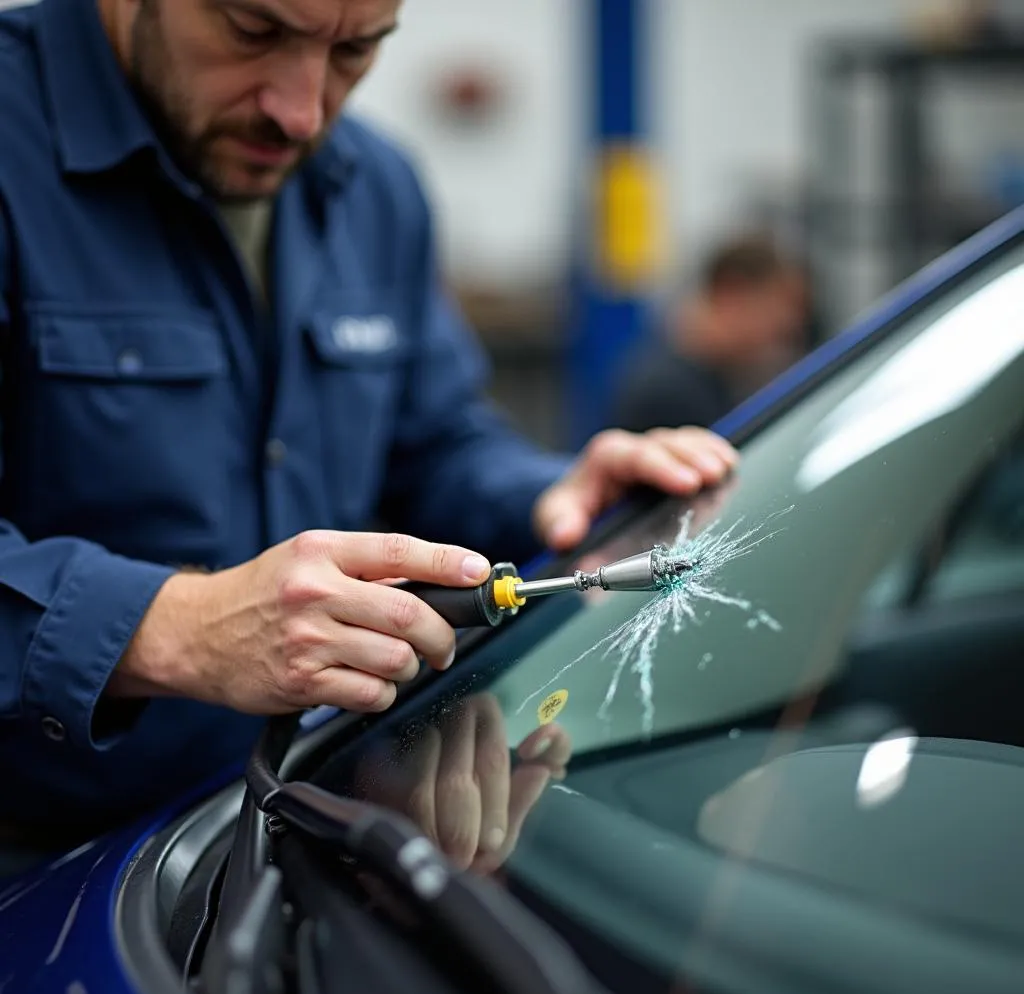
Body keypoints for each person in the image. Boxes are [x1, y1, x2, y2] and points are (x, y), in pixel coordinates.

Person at [0, 0, 737, 852]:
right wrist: (178, 628)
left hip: (278, 837)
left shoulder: (374, 190)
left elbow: (433, 447)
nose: (303, 111)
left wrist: (550, 495)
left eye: (355, 50)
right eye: (255, 32)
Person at [613, 234, 809, 434]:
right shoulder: (669, 394)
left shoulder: (712, 379)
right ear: (733, 293)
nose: (787, 325)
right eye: (778, 306)